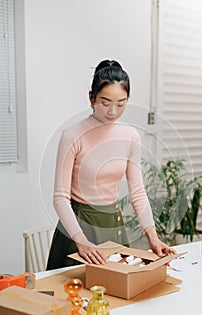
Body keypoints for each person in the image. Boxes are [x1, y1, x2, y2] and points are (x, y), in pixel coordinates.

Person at [46, 59, 176, 270]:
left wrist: (153, 237)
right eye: (105, 103)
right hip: (79, 230)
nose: (112, 112)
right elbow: (60, 198)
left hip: (114, 226)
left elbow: (138, 193)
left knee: (116, 296)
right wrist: (81, 241)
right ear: (91, 97)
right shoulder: (72, 135)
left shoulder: (130, 136)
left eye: (121, 103)